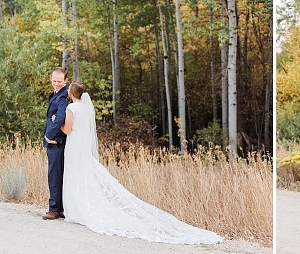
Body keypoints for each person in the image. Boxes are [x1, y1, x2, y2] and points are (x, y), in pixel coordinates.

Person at [56, 82, 223, 244]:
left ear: (71, 93)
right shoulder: (87, 108)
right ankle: (80, 206)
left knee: (74, 173)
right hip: (84, 142)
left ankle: (77, 210)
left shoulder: (71, 108)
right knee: (83, 172)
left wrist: (58, 120)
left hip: (75, 143)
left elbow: (67, 129)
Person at [42, 67, 69, 220]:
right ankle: (59, 208)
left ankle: (54, 209)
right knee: (58, 174)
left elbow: (60, 118)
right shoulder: (56, 94)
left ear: (66, 80)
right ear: (50, 79)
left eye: (59, 81)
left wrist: (49, 135)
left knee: (55, 175)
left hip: (57, 142)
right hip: (56, 141)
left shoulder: (63, 96)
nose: (57, 84)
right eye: (54, 81)